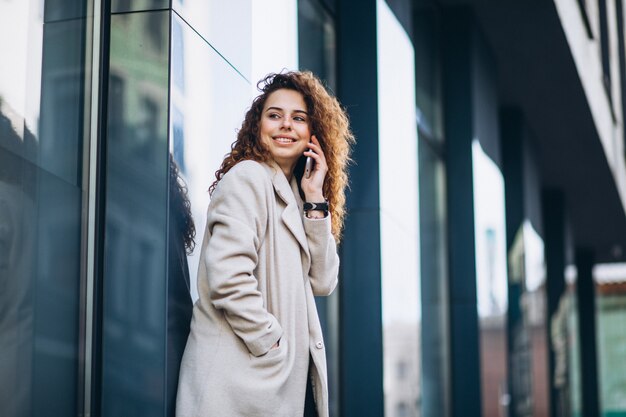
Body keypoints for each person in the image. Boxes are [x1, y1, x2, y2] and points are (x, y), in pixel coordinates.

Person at [175, 71, 354, 417]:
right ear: (258, 126)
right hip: (238, 387)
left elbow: (324, 280)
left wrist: (315, 198)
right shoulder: (248, 178)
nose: (286, 125)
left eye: (298, 118)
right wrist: (272, 343)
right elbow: (228, 278)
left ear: (314, 134)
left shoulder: (296, 197)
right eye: (275, 115)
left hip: (269, 387)